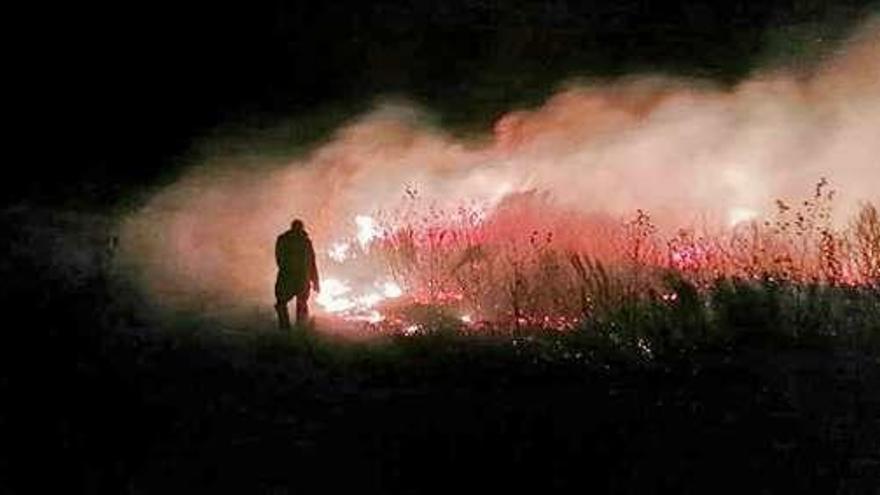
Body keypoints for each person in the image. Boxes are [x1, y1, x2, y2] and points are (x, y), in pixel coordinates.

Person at [274, 219, 320, 330]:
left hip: (292, 277)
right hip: (295, 277)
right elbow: (311, 262)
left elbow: (311, 261)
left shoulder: (288, 240)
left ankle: (292, 330)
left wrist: (315, 281)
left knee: (292, 303)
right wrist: (315, 281)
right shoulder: (303, 241)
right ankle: (293, 330)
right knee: (288, 303)